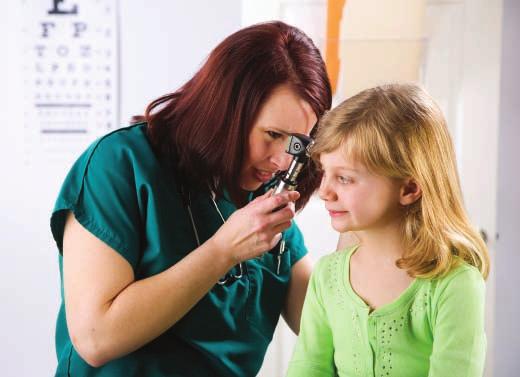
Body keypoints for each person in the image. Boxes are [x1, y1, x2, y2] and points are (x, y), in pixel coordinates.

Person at [50, 21, 332, 377]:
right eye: (272, 134)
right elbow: (96, 339)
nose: (281, 161)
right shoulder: (121, 165)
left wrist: (364, 220)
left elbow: (324, 324)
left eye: (295, 144)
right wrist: (222, 251)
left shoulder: (263, 199)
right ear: (224, 110)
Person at [286, 83, 489, 377]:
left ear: (409, 188)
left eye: (344, 178)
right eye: (324, 172)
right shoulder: (327, 276)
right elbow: (308, 368)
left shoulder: (454, 285)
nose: (325, 191)